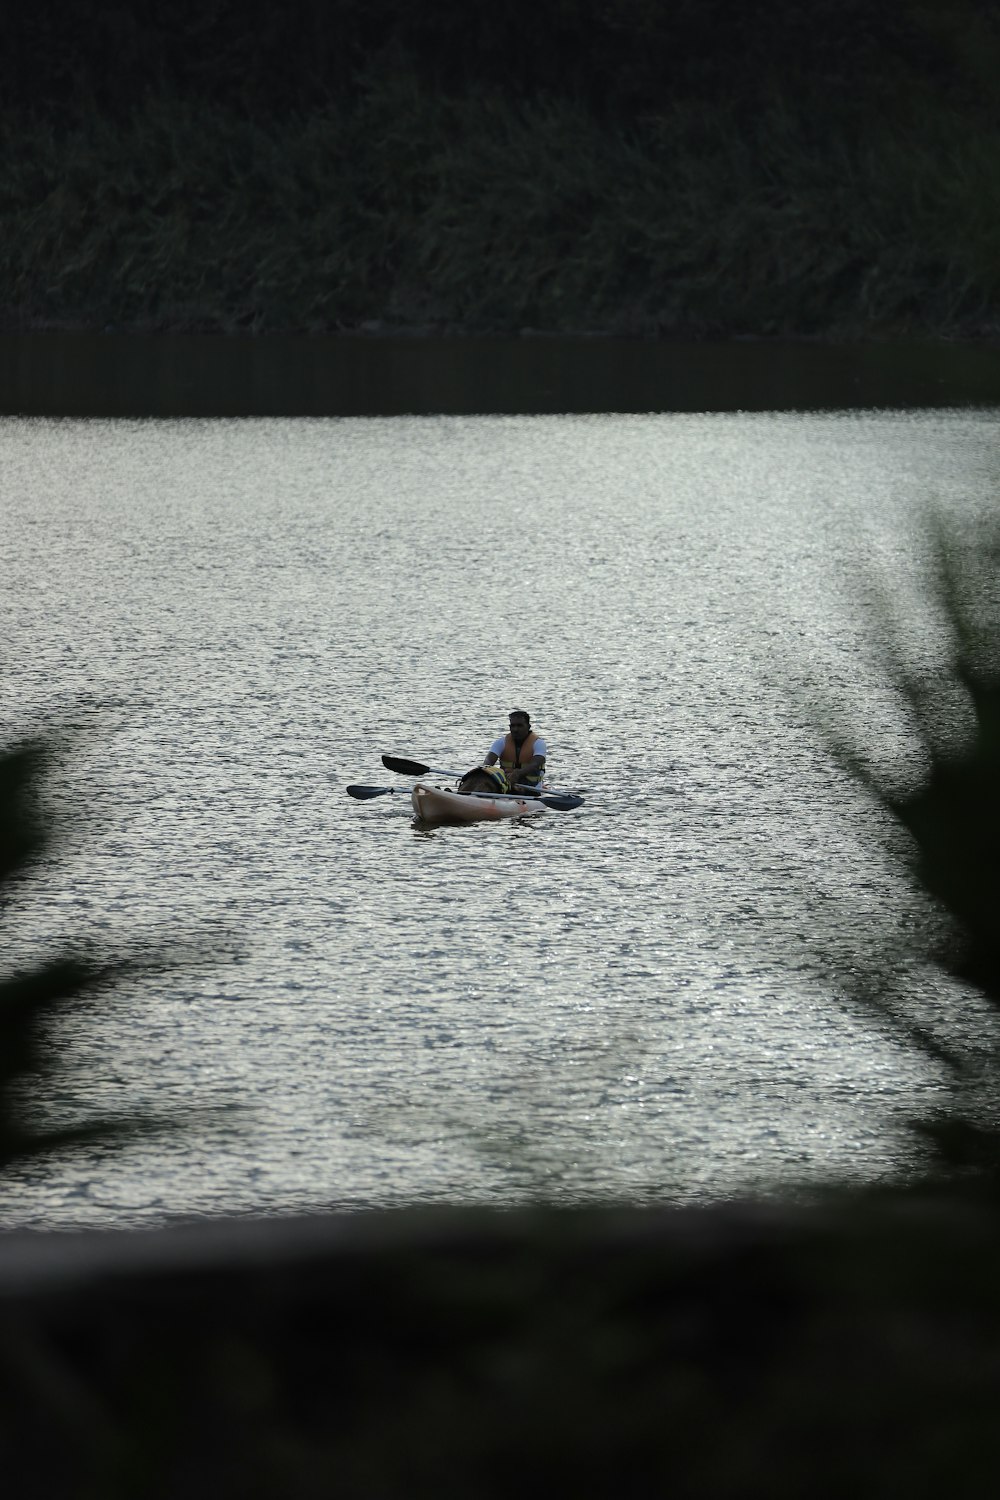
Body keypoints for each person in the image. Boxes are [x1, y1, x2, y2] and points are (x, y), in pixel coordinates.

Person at [484, 709, 547, 789]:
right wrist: (483, 770)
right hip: (507, 784)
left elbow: (535, 764)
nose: (515, 729)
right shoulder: (501, 742)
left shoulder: (539, 743)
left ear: (528, 726)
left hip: (532, 786)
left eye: (519, 725)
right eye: (512, 726)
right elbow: (488, 760)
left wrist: (517, 774)